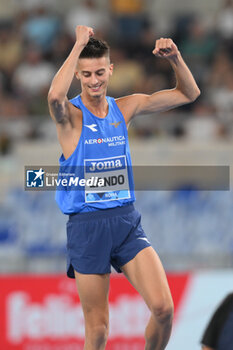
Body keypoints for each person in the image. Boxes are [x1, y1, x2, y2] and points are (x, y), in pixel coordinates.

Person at [48, 25, 200, 350]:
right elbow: (53, 97)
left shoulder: (125, 107)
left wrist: (175, 58)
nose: (94, 81)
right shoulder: (71, 118)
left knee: (164, 309)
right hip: (87, 228)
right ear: (78, 74)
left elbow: (189, 94)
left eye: (100, 72)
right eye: (86, 74)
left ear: (110, 70)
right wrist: (77, 45)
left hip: (126, 222)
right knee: (99, 331)